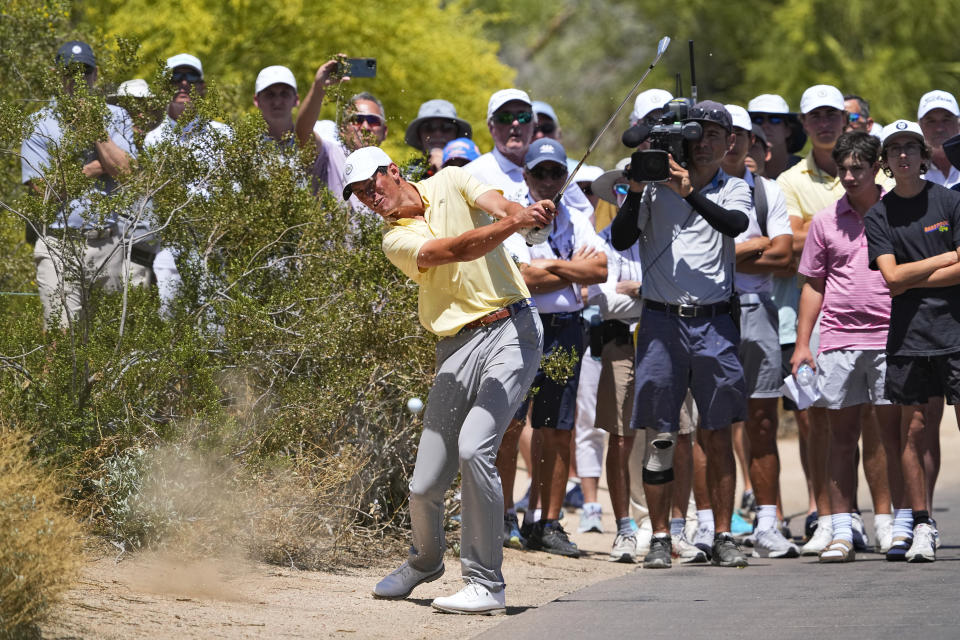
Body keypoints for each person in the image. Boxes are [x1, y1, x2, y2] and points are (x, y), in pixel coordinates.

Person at [344, 146, 555, 613]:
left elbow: (502, 206)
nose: (367, 197)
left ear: (393, 171)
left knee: (475, 446)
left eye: (370, 185)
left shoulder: (453, 179)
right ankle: (425, 562)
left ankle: (486, 583)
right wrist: (515, 225)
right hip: (455, 348)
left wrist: (527, 214)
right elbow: (456, 250)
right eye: (358, 194)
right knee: (425, 485)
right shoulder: (393, 240)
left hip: (512, 328)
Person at [611, 101, 751, 568]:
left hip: (714, 322)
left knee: (717, 434)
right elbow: (622, 239)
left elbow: (735, 225)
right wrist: (634, 188)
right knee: (661, 436)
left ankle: (724, 534)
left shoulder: (734, 187)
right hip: (661, 323)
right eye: (699, 134)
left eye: (715, 134)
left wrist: (689, 191)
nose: (706, 142)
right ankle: (658, 536)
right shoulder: (654, 184)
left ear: (729, 141)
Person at [791, 131, 899, 562]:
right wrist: (803, 343)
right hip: (837, 339)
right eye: (844, 169)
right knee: (840, 436)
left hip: (892, 337)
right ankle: (840, 526)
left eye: (858, 168)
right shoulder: (824, 221)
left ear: (877, 167)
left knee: (890, 437)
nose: (850, 177)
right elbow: (813, 284)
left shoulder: (897, 212)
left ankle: (890, 524)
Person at [500, 138, 608, 557]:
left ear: (566, 178)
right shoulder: (512, 216)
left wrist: (550, 267)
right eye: (539, 173)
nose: (547, 181)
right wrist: (570, 272)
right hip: (521, 327)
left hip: (565, 329)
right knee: (511, 426)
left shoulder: (577, 218)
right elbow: (521, 277)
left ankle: (546, 521)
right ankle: (505, 515)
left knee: (557, 427)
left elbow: (599, 269)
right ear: (525, 176)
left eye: (555, 173)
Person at [865, 119, 960, 563]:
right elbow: (891, 277)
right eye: (894, 149)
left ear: (924, 156)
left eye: (911, 147)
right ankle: (922, 523)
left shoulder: (951, 201)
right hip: (909, 337)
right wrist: (946, 257)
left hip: (955, 332)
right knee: (915, 432)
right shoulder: (878, 214)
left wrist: (911, 276)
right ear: (884, 162)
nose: (903, 155)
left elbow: (908, 277)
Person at [22, 40, 149, 327]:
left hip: (109, 243)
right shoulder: (39, 124)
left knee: (107, 340)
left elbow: (127, 172)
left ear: (95, 74)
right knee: (60, 336)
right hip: (59, 242)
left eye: (85, 71)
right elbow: (43, 191)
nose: (77, 80)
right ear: (57, 75)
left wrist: (95, 127)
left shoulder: (117, 117)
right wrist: (95, 168)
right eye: (70, 72)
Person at [722, 105, 798, 558]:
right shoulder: (697, 191)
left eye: (740, 135)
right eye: (722, 133)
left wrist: (725, 253)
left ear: (753, 142)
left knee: (763, 420)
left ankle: (767, 521)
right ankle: (711, 525)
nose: (732, 141)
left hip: (757, 310)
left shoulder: (768, 192)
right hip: (708, 312)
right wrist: (755, 245)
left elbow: (784, 257)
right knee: (708, 423)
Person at [143, 53, 232, 310]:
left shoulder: (223, 135)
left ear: (202, 87)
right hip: (168, 246)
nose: (184, 84)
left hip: (213, 245)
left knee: (213, 324)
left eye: (191, 77)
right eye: (176, 77)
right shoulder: (152, 140)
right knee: (172, 324)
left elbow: (233, 191)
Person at [405, 99, 472, 175]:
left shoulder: (471, 170)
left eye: (447, 128)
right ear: (419, 136)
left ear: (456, 135)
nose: (438, 134)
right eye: (428, 128)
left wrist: (441, 169)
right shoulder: (406, 175)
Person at [747, 94, 805, 180]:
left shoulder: (806, 170)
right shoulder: (739, 169)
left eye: (775, 119)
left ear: (788, 130)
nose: (765, 125)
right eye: (758, 120)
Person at [917, 90, 960, 188]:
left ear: (958, 124)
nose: (939, 128)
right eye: (931, 121)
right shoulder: (909, 171)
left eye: (946, 120)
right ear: (919, 126)